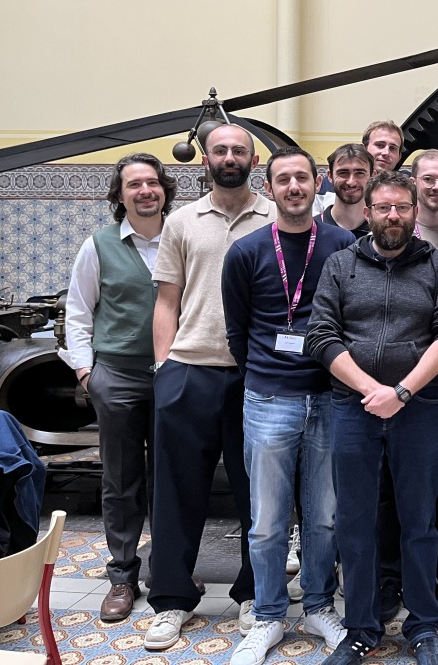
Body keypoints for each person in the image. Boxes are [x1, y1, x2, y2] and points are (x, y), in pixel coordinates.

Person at [306, 170, 438, 665]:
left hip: (418, 409)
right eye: (383, 207)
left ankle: (423, 625)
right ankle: (361, 628)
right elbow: (321, 335)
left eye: (401, 207)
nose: (393, 215)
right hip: (353, 409)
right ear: (368, 212)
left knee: (420, 522)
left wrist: (402, 391)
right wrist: (371, 390)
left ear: (415, 212)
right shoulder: (339, 265)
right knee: (355, 523)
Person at [221, 148, 354, 665]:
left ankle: (319, 607)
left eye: (302, 177)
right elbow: (238, 331)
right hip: (269, 399)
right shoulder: (246, 252)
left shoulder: (343, 245)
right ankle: (269, 616)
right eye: (283, 179)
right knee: (267, 522)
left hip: (331, 398)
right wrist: (266, 374)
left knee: (324, 518)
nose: (294, 187)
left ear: (318, 184)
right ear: (269, 187)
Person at [144, 124, 274, 650]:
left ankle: (254, 594)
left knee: (258, 494)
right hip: (189, 369)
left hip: (256, 373)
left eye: (239, 150)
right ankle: (170, 600)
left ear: (254, 160)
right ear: (205, 160)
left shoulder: (277, 218)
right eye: (220, 150)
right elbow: (166, 301)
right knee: (176, 492)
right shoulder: (181, 221)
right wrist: (164, 369)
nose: (229, 157)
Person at [60, 153, 175, 621]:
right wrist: (87, 373)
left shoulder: (182, 237)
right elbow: (78, 311)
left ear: (164, 189)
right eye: (134, 184)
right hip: (118, 376)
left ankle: (169, 572)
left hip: (174, 375)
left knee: (173, 478)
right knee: (121, 480)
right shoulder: (99, 246)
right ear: (120, 195)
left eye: (152, 182)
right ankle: (122, 577)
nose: (145, 191)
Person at [319, 144, 374, 237]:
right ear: (330, 176)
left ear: (372, 176)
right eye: (343, 173)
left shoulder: (382, 230)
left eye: (360, 173)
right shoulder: (312, 229)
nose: (351, 182)